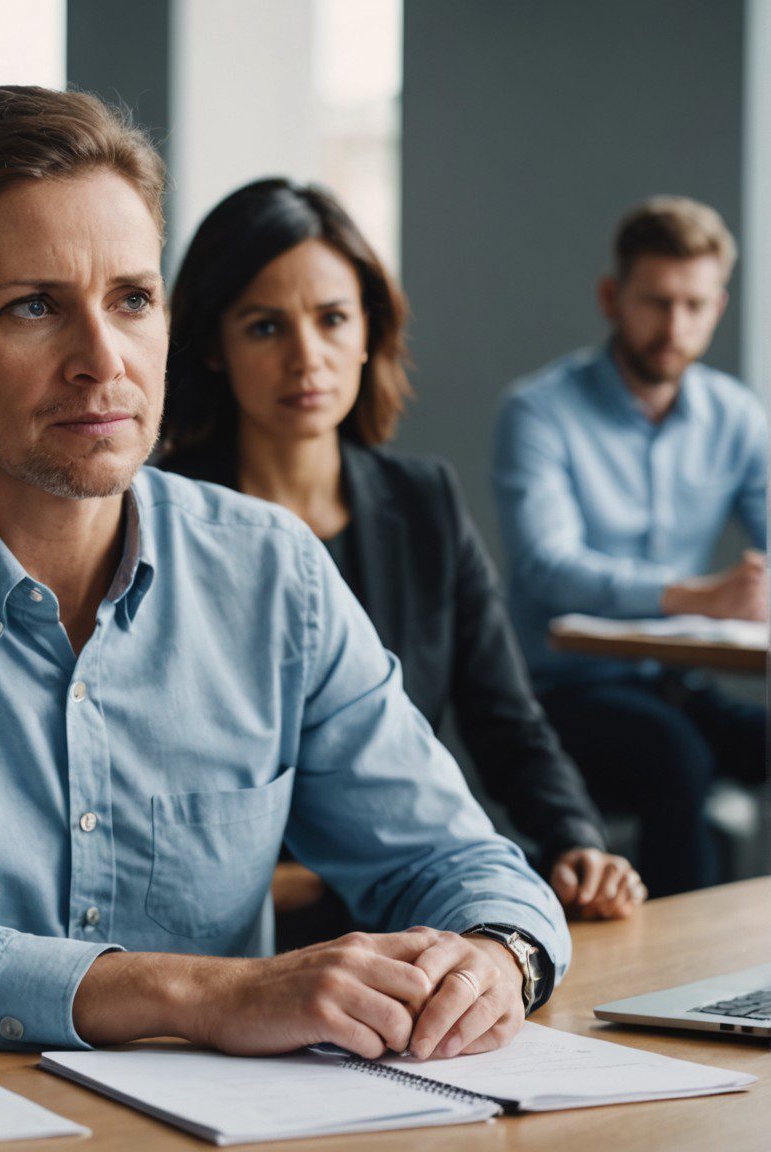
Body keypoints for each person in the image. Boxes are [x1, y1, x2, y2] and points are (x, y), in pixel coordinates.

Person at [0, 87, 568, 1067]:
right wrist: (184, 990)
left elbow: (456, 858)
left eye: (133, 300)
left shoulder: (272, 572)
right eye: (34, 308)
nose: (105, 362)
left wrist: (499, 953)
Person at [157, 179, 641, 922]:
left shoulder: (424, 503)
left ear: (369, 331)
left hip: (408, 904)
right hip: (227, 922)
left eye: (332, 319)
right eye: (264, 327)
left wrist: (575, 839)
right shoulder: (159, 520)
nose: (307, 358)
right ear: (215, 347)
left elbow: (505, 720)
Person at [492, 196, 767, 897]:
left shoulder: (734, 416)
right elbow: (548, 567)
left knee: (701, 739)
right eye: (656, 302)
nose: (675, 327)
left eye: (695, 305)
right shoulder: (540, 410)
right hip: (563, 696)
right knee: (676, 756)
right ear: (613, 297)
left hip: (676, 684)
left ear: (719, 306)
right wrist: (701, 597)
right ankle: (683, 986)